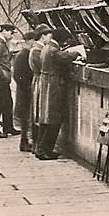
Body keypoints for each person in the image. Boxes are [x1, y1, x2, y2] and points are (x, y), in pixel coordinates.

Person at [36, 27, 81, 160]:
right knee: (53, 118)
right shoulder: (53, 50)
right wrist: (78, 52)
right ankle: (45, 151)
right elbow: (64, 57)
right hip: (53, 86)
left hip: (47, 84)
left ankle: (42, 149)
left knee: (46, 119)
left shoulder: (46, 47)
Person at [0, 23, 20, 138]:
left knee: (7, 103)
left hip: (1, 78)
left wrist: (11, 54)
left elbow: (1, 59)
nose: (12, 36)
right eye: (11, 33)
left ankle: (8, 127)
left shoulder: (0, 43)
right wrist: (3, 74)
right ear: (4, 31)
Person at [26, 23, 52, 153]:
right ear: (42, 37)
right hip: (40, 82)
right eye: (48, 36)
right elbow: (44, 66)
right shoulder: (37, 50)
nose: (50, 39)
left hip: (38, 81)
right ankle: (38, 147)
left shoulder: (35, 48)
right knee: (39, 114)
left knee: (38, 114)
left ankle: (37, 146)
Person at [12, 30, 36, 152]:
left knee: (25, 118)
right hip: (24, 90)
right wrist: (28, 87)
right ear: (30, 41)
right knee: (25, 118)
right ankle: (23, 143)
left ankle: (25, 142)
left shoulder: (21, 54)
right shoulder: (24, 55)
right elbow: (18, 75)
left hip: (23, 90)